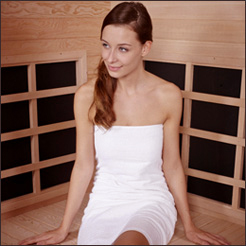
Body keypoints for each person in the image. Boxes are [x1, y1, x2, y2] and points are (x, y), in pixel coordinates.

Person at [19, 2, 230, 245]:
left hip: (150, 201)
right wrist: (62, 228)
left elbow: (172, 165)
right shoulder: (87, 96)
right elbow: (83, 166)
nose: (110, 58)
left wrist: (190, 227)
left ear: (145, 48)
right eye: (106, 45)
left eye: (123, 49)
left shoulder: (168, 95)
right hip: (104, 203)